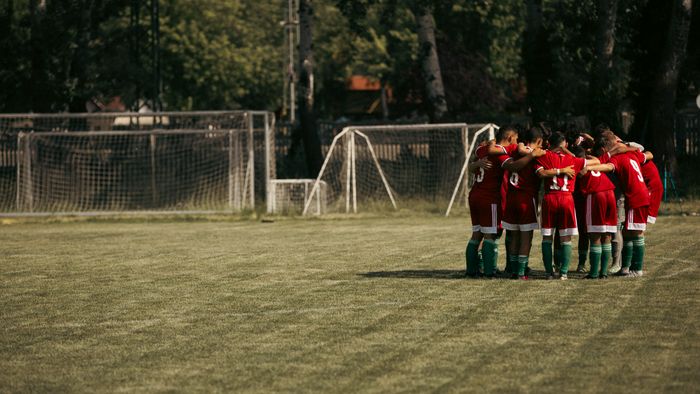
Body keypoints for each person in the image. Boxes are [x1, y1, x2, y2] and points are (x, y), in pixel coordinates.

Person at [535, 132, 600, 280]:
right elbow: (596, 161)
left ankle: (549, 272)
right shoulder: (573, 160)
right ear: (564, 144)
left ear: (549, 144)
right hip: (566, 199)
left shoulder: (544, 157)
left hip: (550, 198)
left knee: (547, 237)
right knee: (566, 239)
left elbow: (540, 172)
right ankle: (564, 272)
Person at [585, 136, 653, 277]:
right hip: (639, 195)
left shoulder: (616, 159)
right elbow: (648, 154)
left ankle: (637, 269)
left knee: (637, 232)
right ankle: (625, 268)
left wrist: (588, 168)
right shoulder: (632, 154)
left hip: (636, 196)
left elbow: (607, 166)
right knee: (628, 231)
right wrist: (629, 147)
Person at [465, 126, 518, 278]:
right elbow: (515, 160)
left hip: (474, 195)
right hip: (489, 198)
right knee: (490, 235)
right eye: (516, 138)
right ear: (509, 138)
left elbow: (472, 165)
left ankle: (471, 270)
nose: (516, 142)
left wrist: (476, 164)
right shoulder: (501, 154)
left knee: (476, 234)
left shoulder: (481, 150)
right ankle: (490, 271)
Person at [501, 126, 546, 279]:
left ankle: (514, 271)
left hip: (511, 198)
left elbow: (519, 149)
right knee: (526, 237)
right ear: (539, 141)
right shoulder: (537, 155)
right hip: (526, 200)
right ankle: (521, 272)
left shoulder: (515, 150)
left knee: (514, 236)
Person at [573, 143, 617, 279]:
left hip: (596, 194)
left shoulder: (577, 163)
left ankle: (593, 273)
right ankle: (603, 272)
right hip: (610, 192)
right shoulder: (594, 162)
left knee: (595, 235)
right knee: (607, 235)